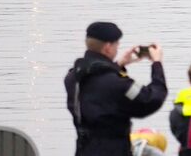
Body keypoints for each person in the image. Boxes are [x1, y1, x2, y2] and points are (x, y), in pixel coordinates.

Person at [64, 21, 167, 156]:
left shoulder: (73, 78)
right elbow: (150, 99)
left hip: (84, 149)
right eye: (117, 44)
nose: (118, 48)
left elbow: (96, 79)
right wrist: (157, 64)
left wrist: (119, 64)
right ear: (107, 47)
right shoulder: (118, 84)